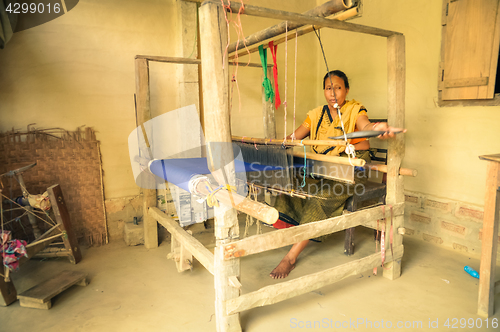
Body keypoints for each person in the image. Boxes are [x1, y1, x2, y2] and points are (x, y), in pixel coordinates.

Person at [269, 70, 404, 279]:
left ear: (346, 89)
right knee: (289, 185)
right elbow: (294, 137)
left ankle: (291, 257)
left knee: (323, 196)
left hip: (351, 168)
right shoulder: (314, 115)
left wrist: (376, 128)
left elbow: (365, 126)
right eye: (328, 88)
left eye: (338, 87)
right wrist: (275, 145)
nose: (333, 93)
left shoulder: (355, 109)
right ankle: (297, 234)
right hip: (323, 167)